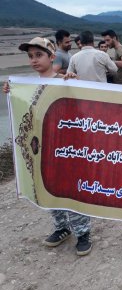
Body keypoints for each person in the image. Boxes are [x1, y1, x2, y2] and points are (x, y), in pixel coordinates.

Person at [2, 37, 92, 256]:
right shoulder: (29, 87)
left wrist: (72, 82)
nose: (34, 60)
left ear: (52, 57)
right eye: (30, 56)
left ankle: (83, 232)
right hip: (44, 150)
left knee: (72, 190)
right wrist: (11, 92)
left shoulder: (65, 82)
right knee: (49, 188)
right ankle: (61, 227)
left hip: (67, 150)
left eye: (39, 55)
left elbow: (80, 112)